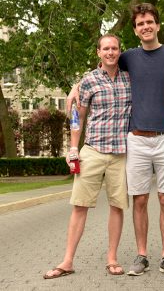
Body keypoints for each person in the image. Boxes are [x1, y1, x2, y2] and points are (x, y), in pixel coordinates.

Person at [67, 3, 164, 278]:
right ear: (136, 29)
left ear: (158, 25)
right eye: (140, 24)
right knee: (139, 200)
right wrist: (75, 87)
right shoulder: (128, 56)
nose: (146, 27)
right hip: (135, 139)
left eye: (150, 22)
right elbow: (104, 66)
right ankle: (141, 255)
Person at [43, 34, 131, 279]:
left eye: (114, 48)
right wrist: (73, 148)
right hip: (92, 151)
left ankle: (112, 258)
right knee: (80, 206)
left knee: (117, 206)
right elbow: (77, 116)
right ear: (98, 52)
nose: (110, 52)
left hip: (120, 155)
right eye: (106, 48)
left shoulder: (129, 78)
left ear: (119, 51)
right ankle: (67, 260)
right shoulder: (88, 81)